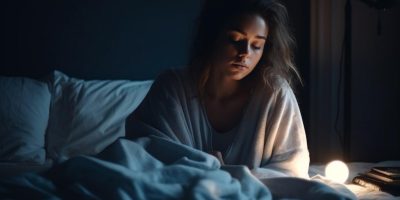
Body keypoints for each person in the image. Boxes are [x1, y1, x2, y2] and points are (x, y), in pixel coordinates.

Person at [126, 0, 310, 179]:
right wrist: (206, 165)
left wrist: (226, 174)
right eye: (235, 39)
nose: (245, 52)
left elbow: (292, 168)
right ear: (212, 36)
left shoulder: (274, 93)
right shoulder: (172, 87)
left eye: (256, 45)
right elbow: (145, 152)